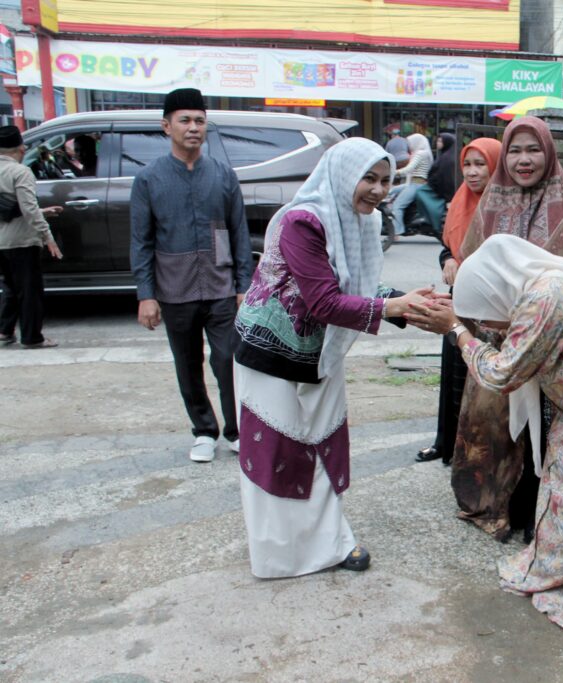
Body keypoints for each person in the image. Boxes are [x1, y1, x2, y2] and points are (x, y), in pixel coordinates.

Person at [232, 138, 432, 578]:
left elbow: (356, 287)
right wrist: (393, 308)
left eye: (386, 180)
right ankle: (278, 555)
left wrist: (411, 304)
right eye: (369, 178)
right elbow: (324, 301)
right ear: (342, 176)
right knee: (278, 452)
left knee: (323, 444)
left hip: (320, 352)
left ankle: (331, 543)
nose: (378, 190)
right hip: (268, 354)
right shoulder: (303, 221)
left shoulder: (362, 221)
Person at [406, 233, 563, 631]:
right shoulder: (547, 284)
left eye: (482, 315)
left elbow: (501, 374)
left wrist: (457, 331)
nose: (485, 325)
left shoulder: (545, 298)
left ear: (494, 291)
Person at [451, 115, 563, 543]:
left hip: (555, 339)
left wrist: (561, 312)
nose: (524, 160)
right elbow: (471, 262)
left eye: (533, 149)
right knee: (491, 424)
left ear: (549, 153)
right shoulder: (491, 200)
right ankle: (490, 505)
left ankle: (535, 513)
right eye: (515, 150)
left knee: (547, 427)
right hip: (497, 335)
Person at [130, 88, 253, 463]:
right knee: (187, 363)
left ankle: (236, 430)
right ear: (167, 127)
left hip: (220, 286)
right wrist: (146, 294)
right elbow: (141, 241)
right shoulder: (149, 179)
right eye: (184, 120)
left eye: (200, 120)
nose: (193, 127)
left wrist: (243, 286)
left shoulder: (222, 175)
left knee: (229, 359)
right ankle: (203, 431)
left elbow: (239, 233)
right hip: (174, 288)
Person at [415, 136, 502, 464]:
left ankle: (477, 451)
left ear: (495, 167)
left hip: (493, 304)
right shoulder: (460, 200)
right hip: (461, 298)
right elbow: (448, 246)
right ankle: (446, 442)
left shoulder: (504, 208)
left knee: (482, 375)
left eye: (481, 164)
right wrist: (448, 260)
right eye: (467, 164)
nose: (472, 171)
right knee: (453, 371)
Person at [0, 125, 64, 349]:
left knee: (10, 287)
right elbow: (28, 208)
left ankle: (5, 331)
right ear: (21, 148)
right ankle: (32, 337)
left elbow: (11, 208)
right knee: (29, 291)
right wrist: (48, 237)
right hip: (22, 241)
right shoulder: (20, 172)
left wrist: (42, 212)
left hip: (2, 243)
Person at [389, 133, 432, 237]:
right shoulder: (426, 153)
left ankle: (397, 232)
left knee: (397, 206)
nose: (409, 146)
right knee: (392, 191)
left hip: (415, 184)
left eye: (410, 143)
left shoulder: (420, 154)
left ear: (416, 143)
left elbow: (409, 169)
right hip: (417, 183)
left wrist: (394, 172)